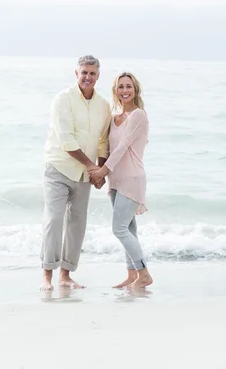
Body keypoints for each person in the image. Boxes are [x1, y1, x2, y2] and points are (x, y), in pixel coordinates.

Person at [40, 55, 112, 291]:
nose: (88, 77)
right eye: (84, 72)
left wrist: (100, 170)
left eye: (92, 73)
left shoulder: (103, 105)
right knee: (54, 219)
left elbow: (103, 141)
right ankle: (47, 277)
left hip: (85, 174)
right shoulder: (63, 99)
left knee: (77, 224)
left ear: (98, 76)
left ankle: (65, 276)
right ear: (76, 74)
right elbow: (66, 140)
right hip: (59, 169)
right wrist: (93, 167)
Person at [88, 72, 153, 289]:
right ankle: (132, 275)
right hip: (116, 180)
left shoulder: (138, 115)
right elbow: (107, 147)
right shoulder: (115, 117)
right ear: (116, 91)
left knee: (119, 229)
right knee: (129, 229)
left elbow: (124, 147)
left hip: (132, 179)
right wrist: (100, 170)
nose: (125, 90)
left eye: (129, 86)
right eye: (121, 87)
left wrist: (101, 172)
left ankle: (144, 273)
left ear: (136, 90)